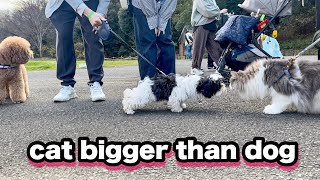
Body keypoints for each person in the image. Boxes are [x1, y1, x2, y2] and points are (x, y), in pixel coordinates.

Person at [45, 0, 110, 102]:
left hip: (90, 2)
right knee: (63, 38)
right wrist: (89, 13)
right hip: (61, 3)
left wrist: (100, 14)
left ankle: (96, 82)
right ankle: (67, 85)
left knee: (93, 37)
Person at [131, 0, 177, 80]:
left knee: (166, 42)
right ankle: (148, 84)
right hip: (142, 6)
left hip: (164, 7)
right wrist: (152, 20)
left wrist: (162, 21)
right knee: (147, 44)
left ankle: (170, 84)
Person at [190, 0, 227, 75]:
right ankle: (195, 67)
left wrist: (218, 12)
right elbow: (206, 11)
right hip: (200, 24)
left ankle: (220, 65)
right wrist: (219, 12)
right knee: (199, 47)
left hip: (211, 24)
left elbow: (213, 9)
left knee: (216, 46)